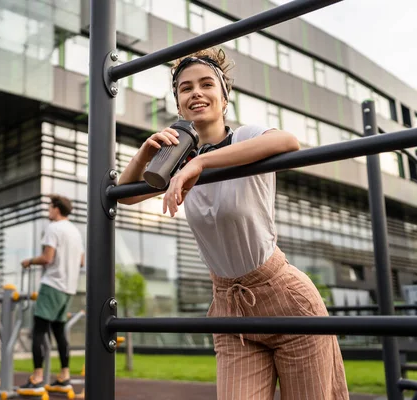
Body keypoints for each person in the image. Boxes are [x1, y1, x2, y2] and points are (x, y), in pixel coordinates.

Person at [117, 47, 349, 399]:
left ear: (224, 98)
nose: (196, 92)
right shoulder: (177, 161)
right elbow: (125, 196)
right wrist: (145, 154)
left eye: (207, 84)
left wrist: (202, 165)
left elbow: (288, 142)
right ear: (178, 104)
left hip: (287, 299)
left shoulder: (246, 137)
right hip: (229, 304)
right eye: (185, 88)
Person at [17, 194, 85, 396]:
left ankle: (37, 379)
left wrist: (29, 261)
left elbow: (47, 258)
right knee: (59, 332)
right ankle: (64, 377)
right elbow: (81, 262)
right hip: (68, 288)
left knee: (38, 331)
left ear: (57, 209)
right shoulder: (75, 232)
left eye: (50, 207)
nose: (48, 211)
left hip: (52, 284)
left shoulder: (53, 228)